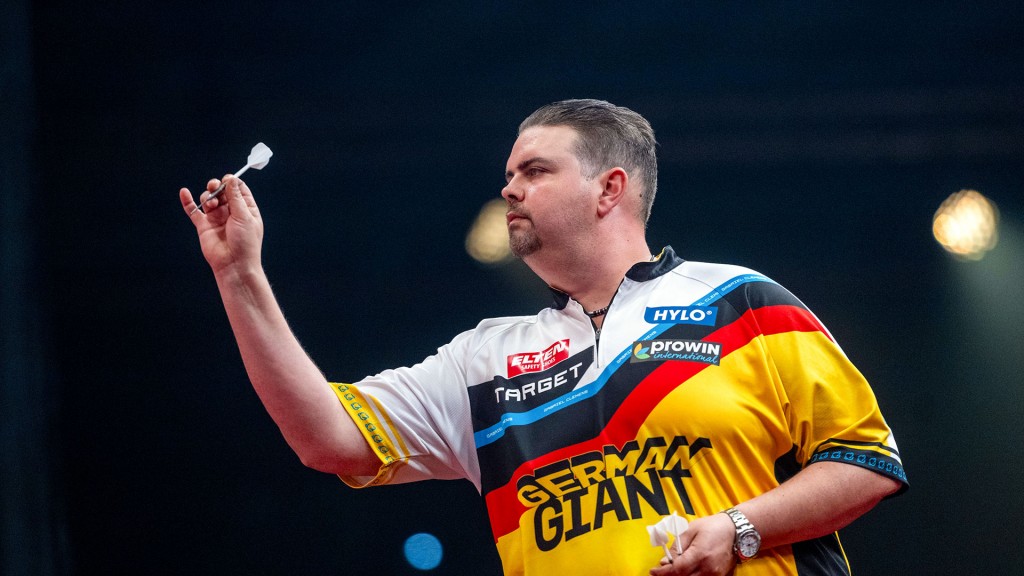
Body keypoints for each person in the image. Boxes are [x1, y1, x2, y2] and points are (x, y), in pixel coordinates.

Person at [180, 99, 907, 576]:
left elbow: (866, 461)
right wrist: (240, 275)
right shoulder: (483, 359)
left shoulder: (740, 301)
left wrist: (739, 528)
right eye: (508, 175)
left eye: (534, 171)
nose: (509, 189)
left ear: (609, 189)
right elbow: (326, 438)